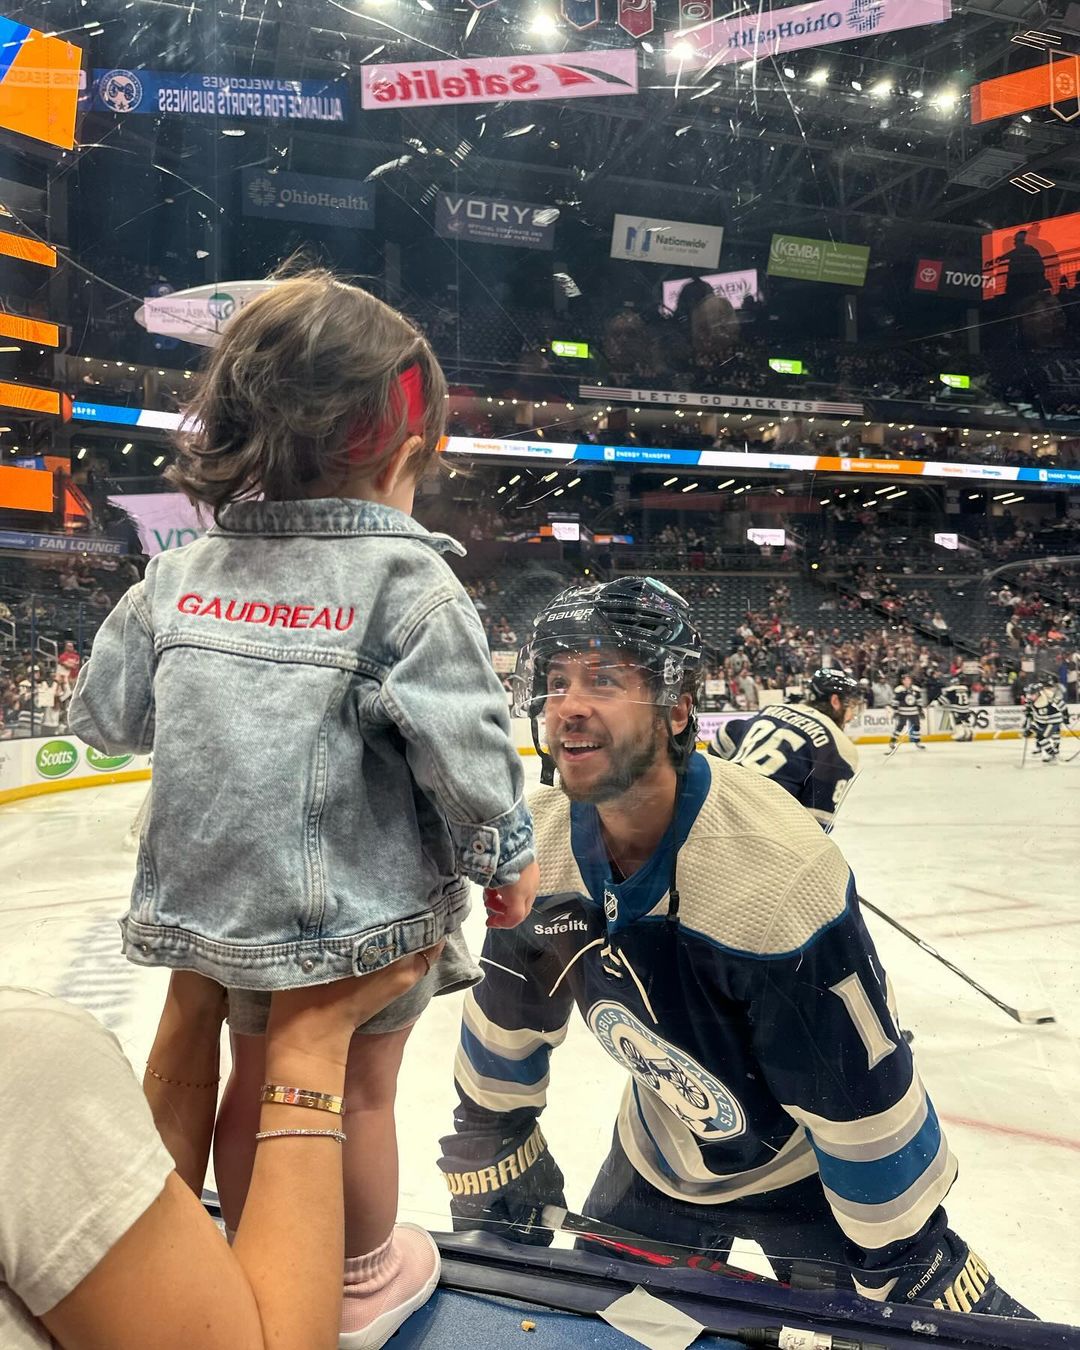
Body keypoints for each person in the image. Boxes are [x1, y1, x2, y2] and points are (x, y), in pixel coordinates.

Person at [68, 268, 539, 1350]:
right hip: (352, 917)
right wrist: (502, 856)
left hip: (210, 905)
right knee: (355, 1095)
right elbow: (464, 749)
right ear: (394, 446)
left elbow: (112, 715)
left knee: (245, 1069)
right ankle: (357, 1280)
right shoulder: (408, 583)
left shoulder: (180, 572)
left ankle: (244, 1253)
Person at [438, 578, 1034, 1319]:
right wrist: (493, 1133)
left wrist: (901, 1253)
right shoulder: (542, 841)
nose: (569, 704)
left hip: (813, 1177)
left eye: (604, 679)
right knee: (601, 1333)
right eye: (556, 681)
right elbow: (507, 1014)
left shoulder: (778, 883)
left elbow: (859, 1100)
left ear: (679, 706)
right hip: (661, 1151)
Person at [0, 950, 438, 1350]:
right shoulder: (25, 1057)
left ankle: (253, 1254)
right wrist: (313, 1045)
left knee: (252, 1080)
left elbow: (109, 1200)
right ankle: (360, 1287)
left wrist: (192, 1005)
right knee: (362, 1092)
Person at [708, 667, 862, 829]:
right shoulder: (840, 748)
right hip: (758, 830)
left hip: (713, 810)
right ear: (835, 701)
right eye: (852, 706)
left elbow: (722, 738)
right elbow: (816, 825)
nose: (852, 716)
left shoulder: (772, 709)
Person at [1022, 674, 1069, 764]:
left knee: (1042, 736)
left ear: (1038, 693)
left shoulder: (1047, 696)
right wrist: (1027, 712)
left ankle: (1052, 754)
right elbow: (1028, 706)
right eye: (1028, 694)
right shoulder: (1030, 697)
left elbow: (1061, 705)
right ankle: (1052, 751)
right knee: (1035, 733)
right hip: (1041, 720)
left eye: (1032, 694)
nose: (1029, 696)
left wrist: (1066, 716)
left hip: (1052, 720)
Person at [887, 672, 925, 754]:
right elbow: (895, 702)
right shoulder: (899, 689)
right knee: (900, 726)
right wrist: (896, 711)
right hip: (903, 712)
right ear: (902, 681)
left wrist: (920, 710)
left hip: (914, 712)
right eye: (905, 680)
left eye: (909, 679)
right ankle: (892, 741)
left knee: (917, 726)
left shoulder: (916, 689)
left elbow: (919, 701)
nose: (907, 681)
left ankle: (917, 742)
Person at [938, 678, 975, 742]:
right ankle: (969, 733)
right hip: (966, 708)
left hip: (957, 709)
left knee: (958, 722)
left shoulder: (951, 689)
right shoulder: (965, 688)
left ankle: (961, 734)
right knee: (966, 721)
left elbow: (944, 700)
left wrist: (938, 703)